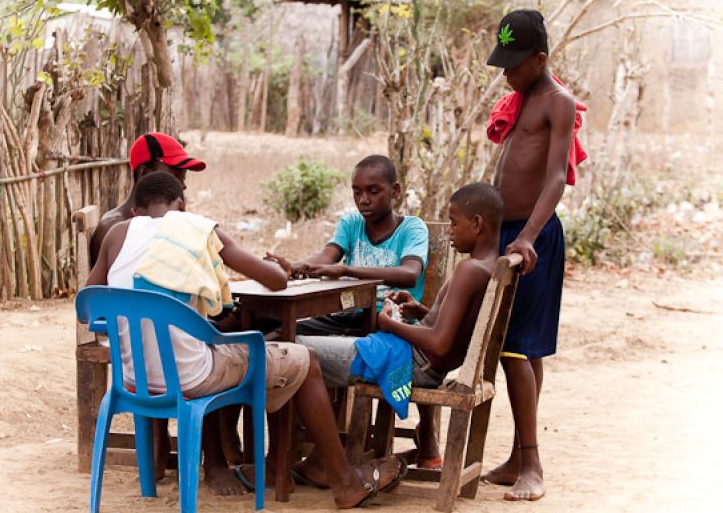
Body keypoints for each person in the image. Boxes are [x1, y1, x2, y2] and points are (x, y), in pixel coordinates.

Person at [86, 171, 404, 508]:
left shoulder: (116, 235)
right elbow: (276, 281)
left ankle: (272, 465)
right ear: (183, 203)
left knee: (219, 342)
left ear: (135, 212)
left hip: (133, 380)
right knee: (304, 359)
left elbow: (87, 306)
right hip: (192, 378)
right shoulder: (195, 227)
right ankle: (344, 482)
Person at [293, 183, 502, 487]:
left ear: (478, 223)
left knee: (294, 351)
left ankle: (319, 462)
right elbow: (447, 329)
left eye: (454, 223)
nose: (450, 232)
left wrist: (389, 324)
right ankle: (319, 459)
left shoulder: (470, 270)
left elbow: (440, 342)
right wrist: (419, 311)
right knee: (308, 347)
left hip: (411, 362)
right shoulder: (487, 266)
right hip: (419, 358)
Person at [266, 154, 442, 470]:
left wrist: (346, 269)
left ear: (395, 190)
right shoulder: (351, 223)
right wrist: (301, 267)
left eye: (373, 191)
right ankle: (290, 447)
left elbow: (409, 273)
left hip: (392, 321)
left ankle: (327, 452)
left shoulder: (412, 228)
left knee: (307, 348)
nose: (364, 199)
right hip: (348, 315)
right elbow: (328, 254)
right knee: (282, 336)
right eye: (357, 191)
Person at [481, 9, 579, 502]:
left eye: (515, 64)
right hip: (508, 232)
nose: (507, 72)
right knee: (523, 348)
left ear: (540, 59)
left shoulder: (558, 102)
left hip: (534, 237)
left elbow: (556, 177)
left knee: (515, 346)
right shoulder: (519, 99)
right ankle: (518, 455)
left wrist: (528, 238)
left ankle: (533, 464)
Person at [88, 132, 207, 481]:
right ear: (145, 173)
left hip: (160, 333)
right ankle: (210, 457)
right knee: (212, 339)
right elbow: (106, 301)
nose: (183, 182)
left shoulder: (169, 221)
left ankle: (212, 451)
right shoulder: (114, 228)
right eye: (177, 173)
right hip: (132, 340)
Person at [89, 131, 206, 265]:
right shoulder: (113, 228)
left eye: (183, 177)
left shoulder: (166, 221)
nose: (183, 185)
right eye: (175, 176)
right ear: (144, 173)